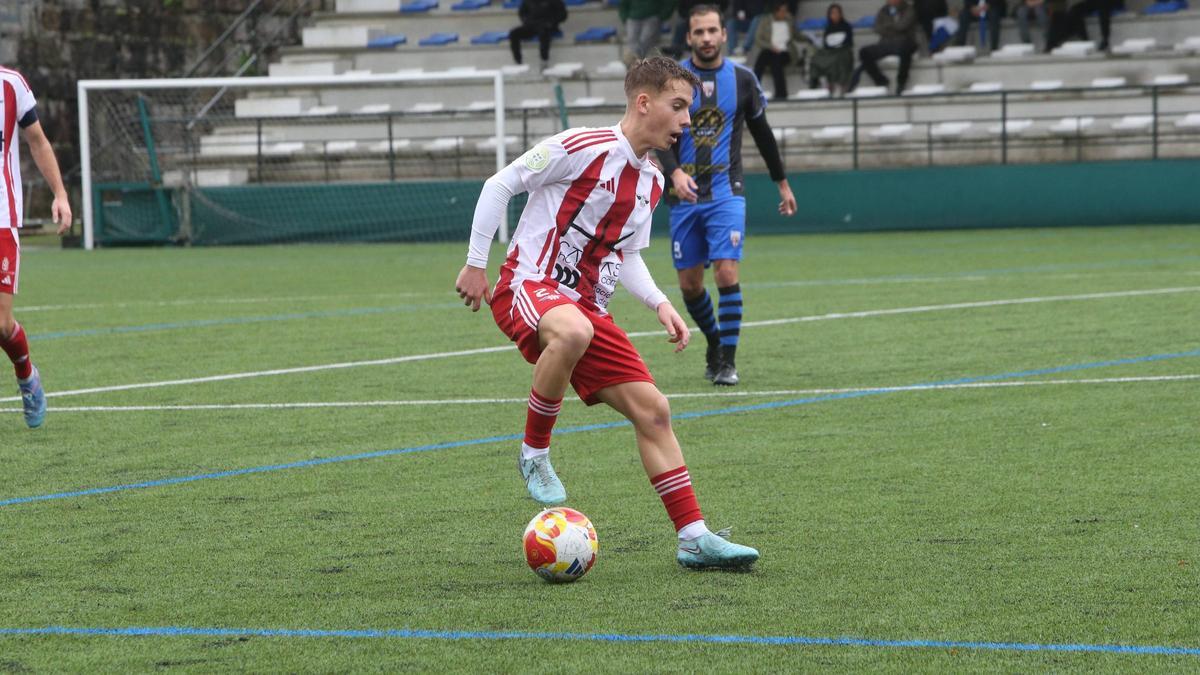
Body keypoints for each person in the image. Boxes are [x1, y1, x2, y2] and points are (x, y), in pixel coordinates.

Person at [454, 56, 759, 571]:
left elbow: (628, 254)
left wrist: (660, 302)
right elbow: (498, 185)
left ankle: (693, 537)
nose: (686, 121)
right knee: (572, 330)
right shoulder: (581, 147)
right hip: (529, 285)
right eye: (678, 106)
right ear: (644, 103)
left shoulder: (653, 181)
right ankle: (534, 453)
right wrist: (475, 263)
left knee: (654, 410)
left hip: (587, 309)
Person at [657, 5, 797, 387]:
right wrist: (675, 172)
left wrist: (782, 184)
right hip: (684, 194)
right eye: (698, 32)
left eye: (712, 31)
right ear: (689, 37)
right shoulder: (672, 81)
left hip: (726, 191)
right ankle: (714, 342)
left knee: (726, 271)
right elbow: (658, 135)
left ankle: (727, 363)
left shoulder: (743, 79)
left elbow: (763, 134)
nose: (706, 38)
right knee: (690, 286)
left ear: (723, 34)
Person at [0, 66, 71, 429]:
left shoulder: (11, 85)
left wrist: (60, 194)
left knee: (0, 323)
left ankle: (27, 375)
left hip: (1, 217)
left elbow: (38, 141)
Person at [849, 0, 918, 95]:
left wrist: (887, 27)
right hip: (886, 43)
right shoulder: (883, 10)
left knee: (905, 50)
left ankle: (901, 82)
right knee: (864, 52)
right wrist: (893, 27)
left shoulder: (909, 9)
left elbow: (902, 26)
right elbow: (877, 28)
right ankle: (881, 80)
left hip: (904, 41)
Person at [752, 1, 807, 100]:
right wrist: (771, 47)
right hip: (770, 49)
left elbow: (796, 35)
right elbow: (758, 38)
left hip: (786, 51)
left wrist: (808, 39)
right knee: (761, 59)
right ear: (776, 12)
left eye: (785, 11)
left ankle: (781, 93)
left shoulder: (789, 20)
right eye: (782, 11)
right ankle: (753, 91)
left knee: (776, 61)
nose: (784, 13)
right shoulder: (766, 21)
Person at [808, 3, 855, 95]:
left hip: (842, 51)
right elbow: (826, 44)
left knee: (838, 59)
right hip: (830, 52)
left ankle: (839, 84)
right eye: (832, 13)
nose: (835, 15)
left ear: (840, 14)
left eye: (837, 12)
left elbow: (849, 43)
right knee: (816, 58)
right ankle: (815, 83)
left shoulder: (846, 26)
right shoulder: (828, 28)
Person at [509, 0, 568, 69]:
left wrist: (552, 22)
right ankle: (518, 61)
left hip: (547, 25)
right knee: (513, 33)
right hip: (531, 25)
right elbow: (522, 13)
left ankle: (544, 60)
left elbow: (563, 14)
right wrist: (526, 21)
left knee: (544, 33)